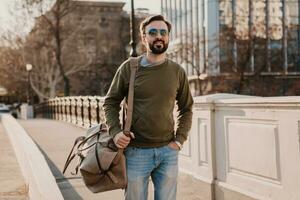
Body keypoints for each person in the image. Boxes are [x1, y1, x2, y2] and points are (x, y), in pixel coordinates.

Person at [103, 15, 194, 200]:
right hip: (136, 152)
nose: (158, 36)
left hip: (168, 152)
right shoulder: (130, 68)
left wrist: (179, 140)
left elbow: (186, 108)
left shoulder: (177, 72)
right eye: (153, 32)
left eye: (163, 32)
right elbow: (110, 102)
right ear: (144, 38)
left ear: (168, 37)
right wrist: (115, 131)